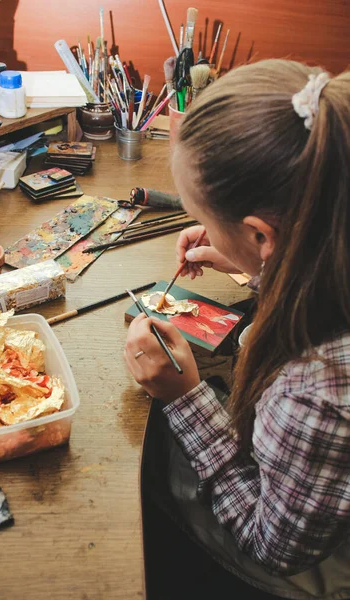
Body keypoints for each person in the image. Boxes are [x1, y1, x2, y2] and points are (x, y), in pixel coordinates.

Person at [124, 59, 350, 599]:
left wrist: (184, 399)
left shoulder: (315, 392)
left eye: (214, 223)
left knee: (149, 463)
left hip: (310, 565)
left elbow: (274, 544)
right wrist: (256, 262)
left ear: (261, 233)